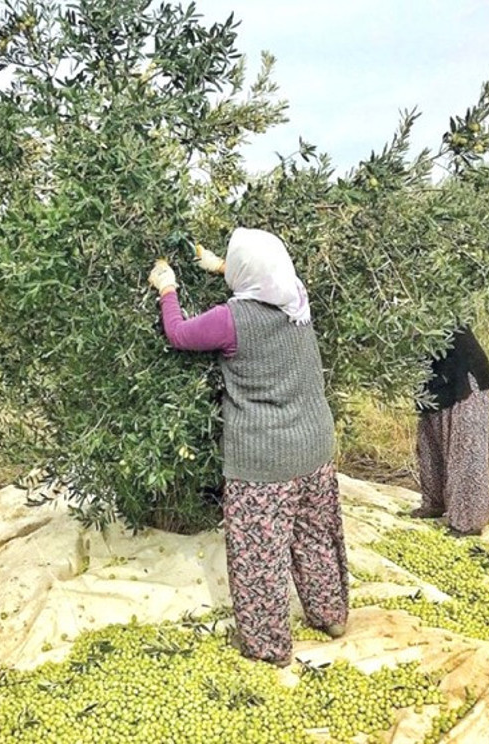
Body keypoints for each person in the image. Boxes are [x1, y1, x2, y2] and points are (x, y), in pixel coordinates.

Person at [147, 227, 348, 667]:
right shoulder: (297, 298)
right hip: (315, 446)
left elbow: (179, 334)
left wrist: (168, 288)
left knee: (259, 555)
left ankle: (268, 647)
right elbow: (263, 275)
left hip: (265, 457)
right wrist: (219, 264)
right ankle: (331, 616)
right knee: (314, 536)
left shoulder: (231, 319)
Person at [412, 325, 489, 536]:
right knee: (429, 440)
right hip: (434, 378)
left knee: (465, 448)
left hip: (465, 375)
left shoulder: (434, 303)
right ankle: (435, 503)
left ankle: (469, 521)